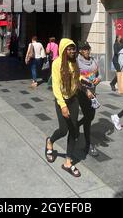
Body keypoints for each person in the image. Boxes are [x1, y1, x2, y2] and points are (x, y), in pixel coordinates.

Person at [45, 39, 81, 178]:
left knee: (73, 130)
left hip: (74, 99)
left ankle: (68, 162)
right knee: (63, 130)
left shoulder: (74, 62)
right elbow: (55, 86)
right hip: (62, 101)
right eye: (69, 49)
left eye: (74, 49)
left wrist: (85, 83)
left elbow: (76, 78)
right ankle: (50, 141)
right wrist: (63, 105)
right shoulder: (57, 63)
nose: (72, 51)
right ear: (63, 49)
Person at [77, 42, 101, 157]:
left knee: (91, 116)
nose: (87, 51)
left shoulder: (94, 60)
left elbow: (99, 74)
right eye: (85, 49)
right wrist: (85, 90)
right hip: (82, 93)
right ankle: (88, 144)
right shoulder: (77, 61)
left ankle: (76, 125)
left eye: (88, 49)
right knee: (87, 118)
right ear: (80, 51)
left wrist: (98, 79)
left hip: (93, 93)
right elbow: (76, 79)